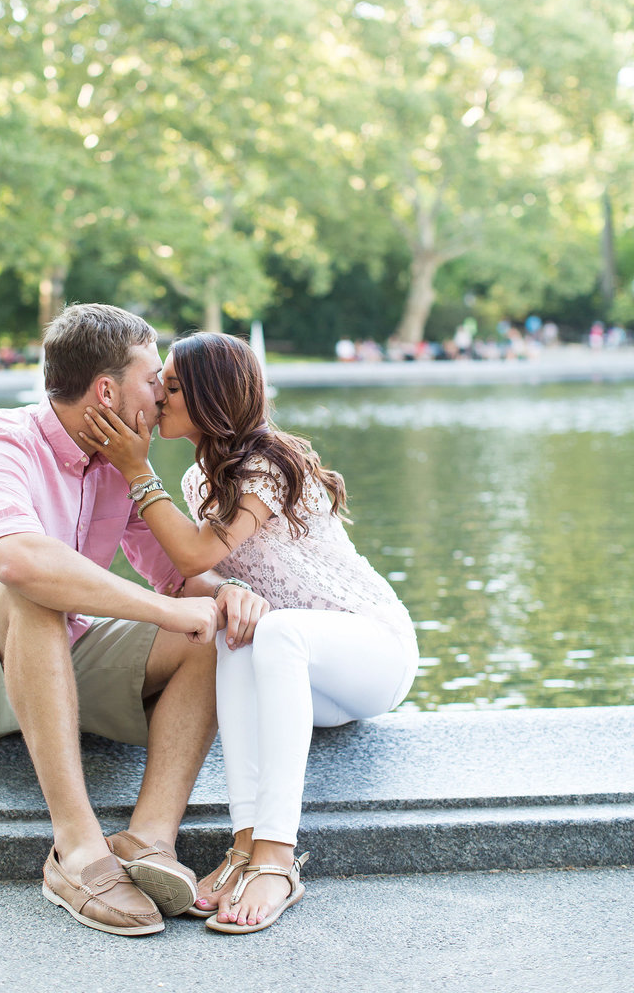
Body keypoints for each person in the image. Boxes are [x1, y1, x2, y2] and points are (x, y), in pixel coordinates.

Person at [0, 304, 269, 937]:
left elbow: (177, 577)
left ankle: (147, 840)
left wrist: (225, 594)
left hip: (55, 658)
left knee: (203, 634)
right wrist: (166, 608)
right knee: (30, 587)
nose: (161, 394)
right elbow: (15, 560)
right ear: (106, 390)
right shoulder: (2, 441)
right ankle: (78, 852)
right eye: (154, 379)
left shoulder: (121, 465)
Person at [79, 332, 419, 935]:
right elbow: (200, 575)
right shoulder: (199, 482)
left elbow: (194, 555)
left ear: (211, 399)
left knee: (276, 631)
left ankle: (277, 862)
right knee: (232, 631)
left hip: (371, 651)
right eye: (161, 385)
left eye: (173, 388)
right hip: (303, 671)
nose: (158, 398)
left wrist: (136, 469)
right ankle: (243, 848)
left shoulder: (266, 464)